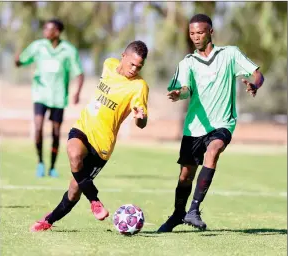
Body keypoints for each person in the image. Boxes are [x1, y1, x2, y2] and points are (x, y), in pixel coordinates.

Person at [158, 14, 264, 232]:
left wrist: (255, 85)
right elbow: (185, 88)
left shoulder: (230, 54)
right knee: (186, 175)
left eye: (200, 32)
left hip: (222, 123)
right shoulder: (187, 62)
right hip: (194, 126)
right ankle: (179, 214)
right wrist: (179, 94)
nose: (196, 37)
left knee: (213, 150)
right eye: (192, 33)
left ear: (210, 32)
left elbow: (257, 74)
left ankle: (194, 210)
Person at [30, 40, 149, 232]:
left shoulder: (139, 87)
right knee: (74, 154)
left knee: (74, 191)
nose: (134, 69)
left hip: (102, 144)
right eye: (132, 63)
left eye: (139, 66)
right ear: (123, 56)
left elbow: (141, 123)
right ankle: (94, 201)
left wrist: (139, 117)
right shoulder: (109, 64)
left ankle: (49, 220)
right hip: (83, 127)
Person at [15, 19, 84, 178]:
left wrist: (77, 92)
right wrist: (17, 58)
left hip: (59, 97)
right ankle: (40, 162)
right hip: (40, 95)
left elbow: (79, 73)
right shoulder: (38, 46)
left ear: (57, 32)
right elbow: (20, 62)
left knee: (55, 133)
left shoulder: (68, 50)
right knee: (38, 127)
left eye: (49, 29)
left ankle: (52, 167)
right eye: (44, 28)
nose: (45, 31)